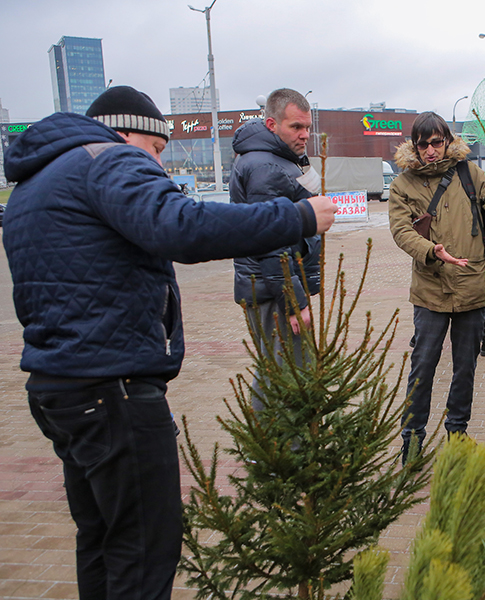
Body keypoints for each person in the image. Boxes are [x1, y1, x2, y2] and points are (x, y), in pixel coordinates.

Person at [1, 85, 337, 600]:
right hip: (113, 387)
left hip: (58, 386)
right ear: (125, 132)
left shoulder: (35, 184)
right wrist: (297, 217)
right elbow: (183, 225)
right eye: (156, 150)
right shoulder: (106, 160)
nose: (157, 165)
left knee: (101, 540)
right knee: (143, 548)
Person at [388, 111, 485, 462]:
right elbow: (401, 231)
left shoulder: (470, 174)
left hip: (472, 288)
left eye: (436, 142)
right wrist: (431, 251)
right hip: (430, 293)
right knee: (423, 367)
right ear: (414, 146)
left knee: (465, 369)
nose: (430, 150)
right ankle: (411, 443)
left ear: (446, 141)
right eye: (423, 144)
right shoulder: (403, 184)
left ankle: (457, 437)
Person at [230, 88, 322, 408]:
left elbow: (311, 196)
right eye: (296, 127)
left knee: (278, 368)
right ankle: (273, 453)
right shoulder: (264, 168)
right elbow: (270, 241)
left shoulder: (282, 160)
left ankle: (273, 451)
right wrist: (293, 302)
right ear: (272, 124)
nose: (305, 135)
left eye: (307, 127)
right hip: (272, 290)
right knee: (283, 373)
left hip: (275, 285)